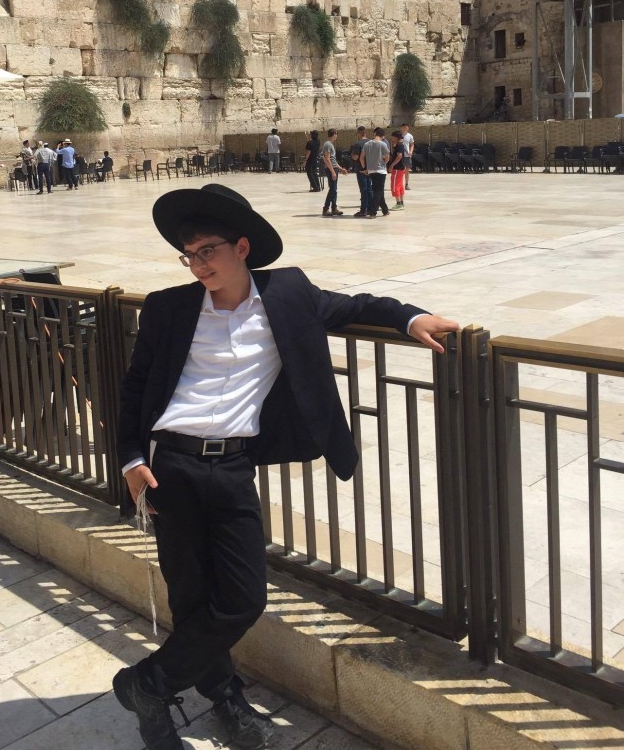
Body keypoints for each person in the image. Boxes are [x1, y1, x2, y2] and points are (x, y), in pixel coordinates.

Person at [113, 183, 459, 750]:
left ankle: (145, 684)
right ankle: (217, 700)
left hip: (231, 469)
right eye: (190, 255)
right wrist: (129, 458)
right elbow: (134, 390)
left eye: (209, 251)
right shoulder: (168, 308)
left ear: (242, 247)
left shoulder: (288, 292)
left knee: (244, 598)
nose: (199, 265)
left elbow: (355, 307)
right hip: (168, 467)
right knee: (191, 597)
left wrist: (411, 318)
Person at [362, 127, 391, 218]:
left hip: (371, 170)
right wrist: (384, 162)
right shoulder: (383, 144)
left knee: (378, 191)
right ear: (382, 136)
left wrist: (365, 168)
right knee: (378, 192)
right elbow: (387, 157)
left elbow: (361, 157)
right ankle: (372, 211)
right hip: (380, 170)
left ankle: (385, 210)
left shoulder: (367, 144)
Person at [321, 128, 347, 217]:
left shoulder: (330, 144)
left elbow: (333, 160)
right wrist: (332, 172)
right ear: (334, 134)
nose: (337, 136)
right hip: (330, 169)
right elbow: (327, 159)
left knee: (334, 190)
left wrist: (340, 169)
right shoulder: (328, 144)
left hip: (333, 168)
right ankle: (326, 208)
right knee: (332, 189)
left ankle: (334, 208)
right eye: (337, 134)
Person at [351, 126, 371, 218]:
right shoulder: (371, 142)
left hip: (361, 169)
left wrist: (351, 155)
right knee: (369, 189)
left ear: (359, 133)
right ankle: (371, 209)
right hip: (371, 169)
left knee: (363, 190)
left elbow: (355, 157)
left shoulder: (358, 144)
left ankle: (363, 210)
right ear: (365, 133)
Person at [389, 130, 406, 209]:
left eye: (393, 137)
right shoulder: (399, 144)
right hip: (401, 168)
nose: (392, 138)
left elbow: (399, 156)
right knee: (400, 185)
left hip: (397, 168)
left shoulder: (399, 145)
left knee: (395, 185)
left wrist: (392, 165)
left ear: (396, 137)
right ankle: (401, 202)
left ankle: (399, 203)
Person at [401, 123, 414, 191]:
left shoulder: (410, 136)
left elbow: (412, 144)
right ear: (401, 128)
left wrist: (411, 151)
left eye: (406, 127)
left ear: (408, 128)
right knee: (400, 170)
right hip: (400, 155)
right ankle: (400, 184)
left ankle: (406, 184)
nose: (404, 128)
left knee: (407, 170)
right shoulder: (399, 136)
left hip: (407, 155)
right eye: (403, 127)